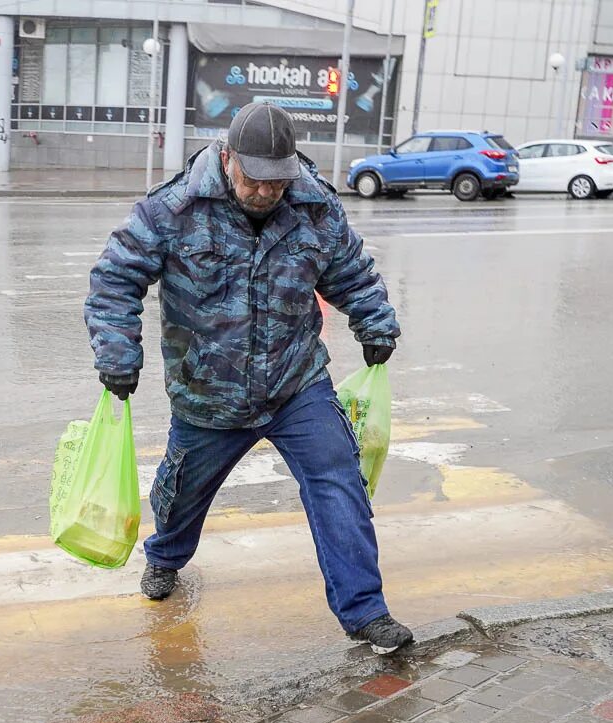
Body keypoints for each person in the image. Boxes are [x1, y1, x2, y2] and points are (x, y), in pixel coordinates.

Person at [84, 102, 413, 655]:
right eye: (253, 180)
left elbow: (352, 272)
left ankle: (365, 612)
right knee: (182, 496)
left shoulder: (316, 208)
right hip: (208, 393)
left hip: (295, 383)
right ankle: (165, 556)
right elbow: (114, 280)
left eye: (276, 182)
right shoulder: (173, 209)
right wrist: (118, 352)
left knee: (338, 478)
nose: (264, 192)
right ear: (228, 157)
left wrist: (374, 320)